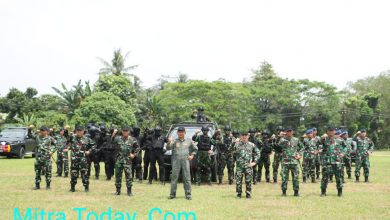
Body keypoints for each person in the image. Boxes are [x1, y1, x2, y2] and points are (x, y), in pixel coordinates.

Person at [167, 127, 197, 200]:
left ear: (185, 133)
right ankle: (172, 195)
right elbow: (168, 148)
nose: (180, 133)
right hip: (176, 162)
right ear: (177, 133)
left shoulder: (189, 141)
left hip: (185, 162)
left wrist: (192, 155)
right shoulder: (174, 141)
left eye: (182, 132)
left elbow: (195, 149)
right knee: (174, 178)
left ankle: (188, 195)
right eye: (179, 132)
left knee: (187, 178)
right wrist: (169, 142)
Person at [231, 130, 260, 198]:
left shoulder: (251, 145)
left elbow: (258, 153)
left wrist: (254, 162)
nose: (244, 137)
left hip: (248, 166)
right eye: (243, 135)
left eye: (246, 135)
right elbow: (230, 150)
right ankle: (239, 193)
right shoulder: (237, 144)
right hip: (239, 166)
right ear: (240, 136)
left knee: (248, 180)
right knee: (238, 181)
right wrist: (233, 143)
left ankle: (248, 193)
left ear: (248, 136)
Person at [112, 126, 139, 196]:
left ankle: (129, 191)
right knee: (118, 175)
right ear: (122, 132)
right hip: (119, 160)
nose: (125, 132)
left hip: (127, 160)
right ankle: (118, 191)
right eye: (124, 131)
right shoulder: (118, 139)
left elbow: (137, 148)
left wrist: (134, 154)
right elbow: (112, 141)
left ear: (128, 132)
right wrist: (113, 134)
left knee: (129, 176)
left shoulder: (132, 139)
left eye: (126, 131)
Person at [319, 126, 346, 197]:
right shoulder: (324, 139)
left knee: (339, 177)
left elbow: (345, 146)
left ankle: (340, 192)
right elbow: (317, 144)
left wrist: (343, 153)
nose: (331, 132)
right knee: (325, 177)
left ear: (334, 131)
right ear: (327, 131)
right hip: (327, 161)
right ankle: (323, 192)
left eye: (332, 131)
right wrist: (321, 139)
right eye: (329, 131)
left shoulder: (339, 140)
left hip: (337, 161)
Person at [68, 126, 96, 192]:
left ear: (83, 131)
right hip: (74, 159)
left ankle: (86, 187)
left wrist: (89, 151)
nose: (79, 132)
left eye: (80, 131)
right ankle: (72, 188)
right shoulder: (72, 138)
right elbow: (66, 138)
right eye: (77, 131)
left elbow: (94, 145)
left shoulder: (87, 139)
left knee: (84, 174)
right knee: (73, 173)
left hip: (83, 159)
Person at [278, 127, 303, 197]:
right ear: (286, 132)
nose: (289, 133)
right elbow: (278, 146)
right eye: (288, 131)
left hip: (294, 161)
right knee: (284, 178)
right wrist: (280, 137)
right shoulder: (282, 140)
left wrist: (299, 155)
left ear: (292, 132)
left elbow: (302, 147)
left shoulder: (296, 139)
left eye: (290, 131)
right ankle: (284, 192)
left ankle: (296, 192)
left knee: (295, 178)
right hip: (285, 162)